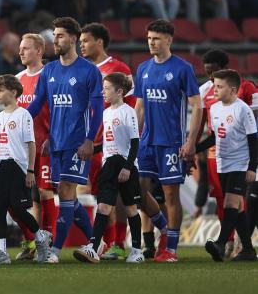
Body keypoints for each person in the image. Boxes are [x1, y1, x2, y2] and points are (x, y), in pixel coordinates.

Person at [26, 17, 103, 264]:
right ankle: (95, 242)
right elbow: (38, 104)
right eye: (54, 35)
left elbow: (97, 109)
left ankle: (56, 251)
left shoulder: (89, 71)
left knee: (66, 192)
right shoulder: (49, 70)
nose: (55, 40)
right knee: (65, 194)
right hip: (56, 143)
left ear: (72, 38)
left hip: (77, 143)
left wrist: (90, 140)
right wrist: (14, 120)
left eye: (59, 35)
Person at [133, 19, 200, 262]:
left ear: (169, 40)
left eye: (157, 38)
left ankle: (170, 249)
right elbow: (139, 107)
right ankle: (165, 228)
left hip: (171, 141)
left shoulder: (183, 68)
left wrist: (190, 142)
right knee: (137, 191)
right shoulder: (143, 69)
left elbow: (197, 106)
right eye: (149, 38)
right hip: (147, 142)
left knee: (171, 195)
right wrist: (134, 140)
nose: (152, 42)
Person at [79, 22, 136, 260]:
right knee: (100, 194)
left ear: (99, 41)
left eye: (85, 41)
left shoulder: (118, 67)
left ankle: (119, 242)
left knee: (120, 196)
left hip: (112, 144)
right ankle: (109, 241)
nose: (81, 45)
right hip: (89, 142)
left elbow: (131, 105)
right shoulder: (80, 69)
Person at [78, 72, 146, 264]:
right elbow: (108, 143)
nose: (103, 92)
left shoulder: (128, 111)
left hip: (125, 164)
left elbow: (134, 142)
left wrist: (127, 167)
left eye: (107, 88)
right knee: (103, 206)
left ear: (119, 91)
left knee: (131, 208)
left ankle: (136, 250)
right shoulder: (105, 113)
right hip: (108, 163)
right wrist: (90, 150)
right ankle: (92, 247)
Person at [196, 49, 258, 258]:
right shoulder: (213, 105)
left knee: (232, 201)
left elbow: (253, 137)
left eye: (218, 83)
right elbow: (213, 136)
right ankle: (248, 249)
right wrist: (193, 150)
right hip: (221, 160)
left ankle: (221, 243)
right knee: (236, 205)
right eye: (210, 77)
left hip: (242, 160)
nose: (213, 84)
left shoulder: (244, 104)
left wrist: (252, 166)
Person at [0, 74, 50, 265]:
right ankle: (2, 252)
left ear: (13, 92)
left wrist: (30, 171)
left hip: (17, 166)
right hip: (2, 165)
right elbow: (2, 145)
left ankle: (40, 235)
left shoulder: (24, 115)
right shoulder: (1, 116)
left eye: (0, 90)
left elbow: (31, 144)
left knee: (19, 209)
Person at [14, 33, 56, 260]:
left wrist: (54, 137)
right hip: (21, 148)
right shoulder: (17, 78)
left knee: (44, 191)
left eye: (26, 48)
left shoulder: (49, 76)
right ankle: (32, 241)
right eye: (20, 48)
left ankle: (47, 243)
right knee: (27, 198)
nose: (21, 52)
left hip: (45, 145)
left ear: (39, 51)